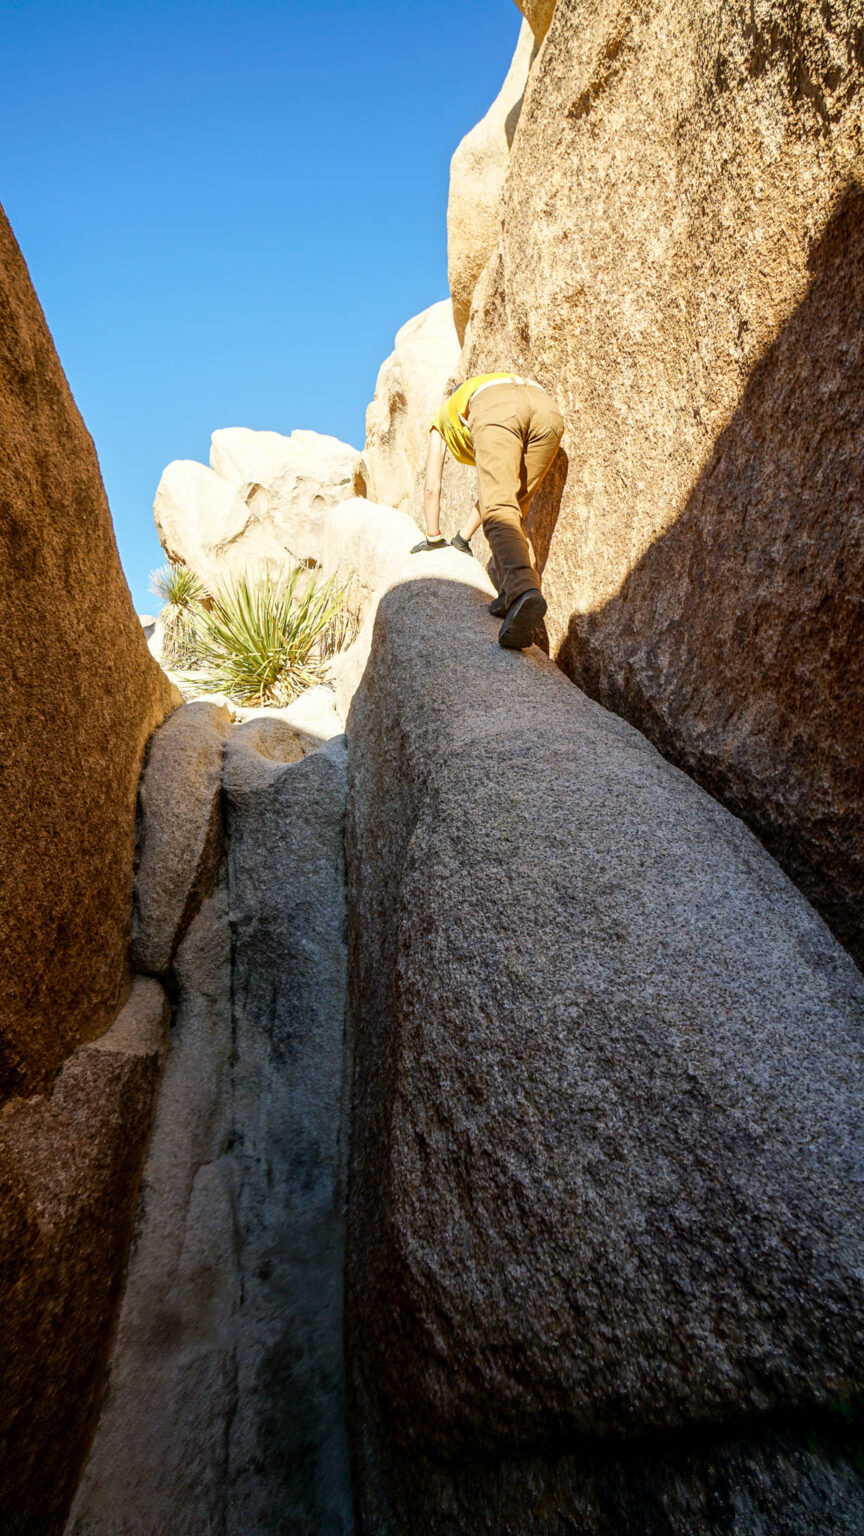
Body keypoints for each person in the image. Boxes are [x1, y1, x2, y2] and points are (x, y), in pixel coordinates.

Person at [411, 372, 564, 650]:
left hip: (500, 408)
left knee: (498, 514)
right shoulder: (492, 381)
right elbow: (496, 492)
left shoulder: (445, 414)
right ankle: (511, 595)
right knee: (512, 509)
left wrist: (433, 537)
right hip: (547, 410)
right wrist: (462, 538)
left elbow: (432, 484)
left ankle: (521, 591)